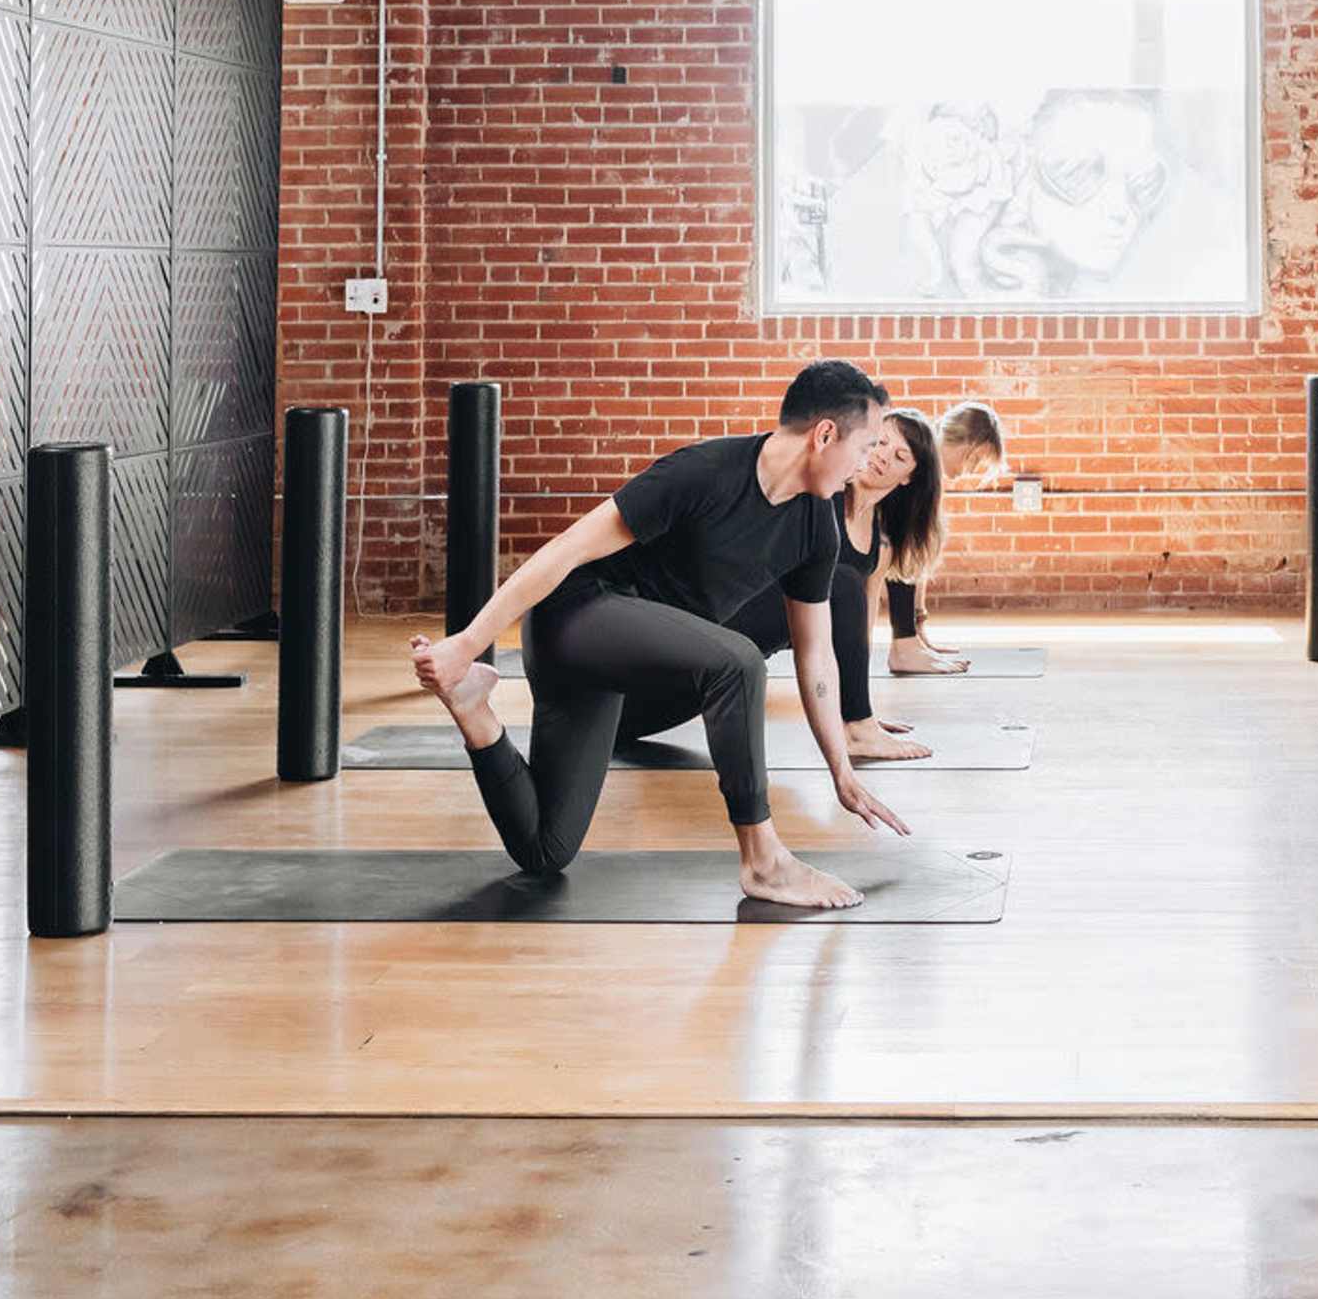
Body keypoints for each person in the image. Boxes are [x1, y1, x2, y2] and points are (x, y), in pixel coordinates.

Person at [411, 360, 913, 911]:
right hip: (577, 614)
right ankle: (765, 861)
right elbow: (565, 550)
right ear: (823, 435)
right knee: (738, 662)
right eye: (866, 445)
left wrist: (840, 770)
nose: (867, 463)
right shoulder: (704, 472)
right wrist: (467, 642)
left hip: (623, 659)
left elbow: (816, 656)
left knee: (544, 849)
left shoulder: (817, 527)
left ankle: (474, 712)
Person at [826, 410, 946, 763]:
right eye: (881, 442)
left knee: (848, 588)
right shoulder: (826, 493)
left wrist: (858, 710)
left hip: (786, 630)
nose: (882, 455)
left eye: (900, 456)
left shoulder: (881, 545)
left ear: (909, 477)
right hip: (749, 613)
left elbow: (856, 632)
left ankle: (859, 728)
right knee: (843, 582)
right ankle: (858, 728)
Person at [889, 401, 1005, 677]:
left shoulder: (929, 476)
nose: (970, 470)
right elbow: (901, 552)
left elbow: (919, 553)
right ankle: (902, 648)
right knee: (903, 537)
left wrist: (919, 629)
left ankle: (908, 642)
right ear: (959, 440)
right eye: (973, 459)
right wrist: (906, 642)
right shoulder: (914, 459)